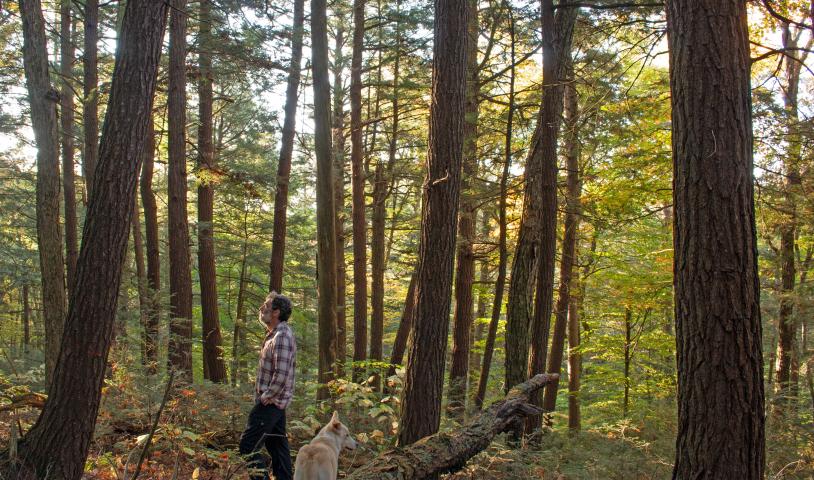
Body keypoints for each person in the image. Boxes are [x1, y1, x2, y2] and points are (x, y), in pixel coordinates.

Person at [239, 291, 296, 480]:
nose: (261, 308)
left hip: (270, 403)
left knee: (248, 445)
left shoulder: (282, 336)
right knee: (278, 448)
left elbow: (281, 374)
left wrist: (266, 396)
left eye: (266, 305)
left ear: (276, 312)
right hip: (274, 403)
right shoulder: (275, 334)